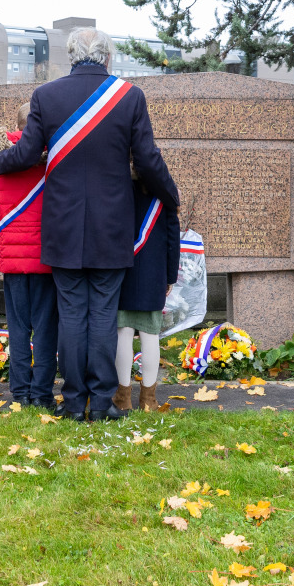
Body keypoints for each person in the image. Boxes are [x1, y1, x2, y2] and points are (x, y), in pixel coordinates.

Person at [0, 26, 178, 422]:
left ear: (70, 55)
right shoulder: (129, 96)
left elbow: (27, 153)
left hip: (62, 227)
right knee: (104, 315)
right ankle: (102, 402)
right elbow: (147, 160)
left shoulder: (46, 95)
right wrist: (170, 196)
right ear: (107, 57)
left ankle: (75, 402)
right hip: (112, 228)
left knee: (72, 314)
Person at [0, 103, 57, 408]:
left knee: (18, 328)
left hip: (13, 263)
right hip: (45, 261)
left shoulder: (2, 161)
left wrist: (9, 243)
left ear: (16, 126)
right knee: (45, 330)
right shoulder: (52, 159)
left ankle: (20, 392)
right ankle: (41, 393)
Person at [115, 176, 179, 413]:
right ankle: (148, 400)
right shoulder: (165, 194)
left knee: (123, 332)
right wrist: (170, 276)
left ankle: (123, 397)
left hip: (122, 270)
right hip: (154, 274)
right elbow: (173, 238)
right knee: (150, 335)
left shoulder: (118, 186)